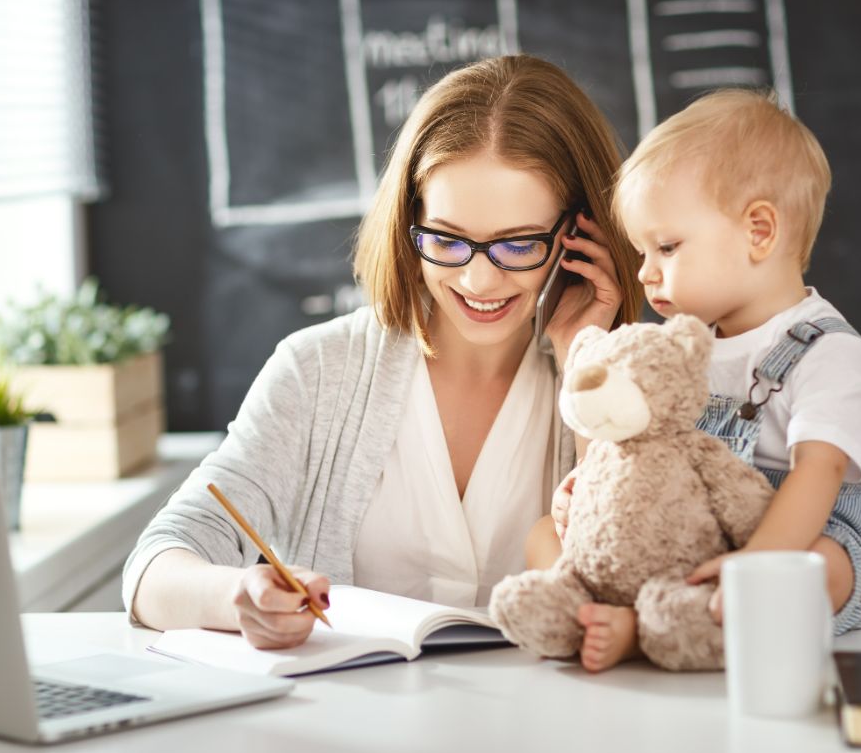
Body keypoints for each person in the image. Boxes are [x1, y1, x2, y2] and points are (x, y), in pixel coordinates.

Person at [122, 54, 644, 648]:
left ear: (579, 237)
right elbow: (154, 569)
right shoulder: (318, 371)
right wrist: (237, 596)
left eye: (518, 245)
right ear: (409, 223)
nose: (478, 282)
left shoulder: (625, 382)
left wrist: (587, 358)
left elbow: (628, 586)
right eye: (447, 239)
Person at [528, 89, 861, 672]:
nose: (645, 272)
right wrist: (591, 489)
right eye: (641, 251)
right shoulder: (684, 348)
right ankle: (590, 606)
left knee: (824, 567)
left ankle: (644, 630)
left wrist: (756, 564)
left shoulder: (831, 355)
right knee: (541, 533)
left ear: (759, 231)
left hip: (788, 544)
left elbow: (818, 473)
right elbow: (636, 442)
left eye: (666, 246)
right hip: (687, 534)